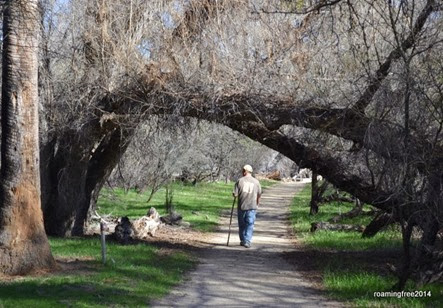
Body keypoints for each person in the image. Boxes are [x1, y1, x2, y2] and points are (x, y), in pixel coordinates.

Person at [232, 164, 262, 248]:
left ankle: (243, 240)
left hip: (241, 206)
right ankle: (247, 241)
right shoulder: (256, 182)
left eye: (242, 171)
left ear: (245, 171)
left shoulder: (239, 181)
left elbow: (235, 194)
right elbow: (259, 194)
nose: (242, 172)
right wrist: (257, 203)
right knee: (250, 224)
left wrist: (235, 194)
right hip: (252, 206)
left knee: (242, 224)